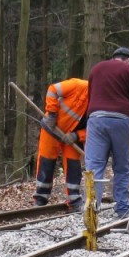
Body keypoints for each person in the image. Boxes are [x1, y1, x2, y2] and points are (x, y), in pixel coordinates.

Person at [83, 46, 129, 219]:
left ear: (113, 57)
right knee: (122, 166)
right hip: (121, 120)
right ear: (128, 60)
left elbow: (90, 97)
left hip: (96, 119)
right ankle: (122, 208)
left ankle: (91, 208)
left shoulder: (96, 69)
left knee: (94, 166)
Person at [33, 71, 89, 211]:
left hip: (72, 137)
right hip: (52, 128)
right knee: (46, 162)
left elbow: (94, 129)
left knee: (74, 167)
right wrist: (51, 114)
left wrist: (77, 136)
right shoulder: (78, 85)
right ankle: (40, 198)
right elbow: (53, 89)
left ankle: (74, 200)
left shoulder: (100, 105)